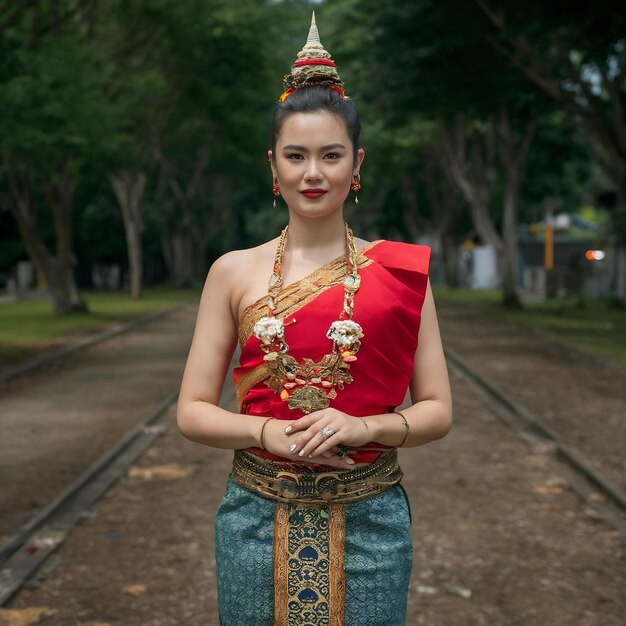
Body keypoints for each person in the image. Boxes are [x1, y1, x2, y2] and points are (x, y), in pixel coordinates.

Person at [177, 12, 452, 626]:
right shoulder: (233, 272)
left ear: (357, 165)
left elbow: (437, 409)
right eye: (295, 156)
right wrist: (266, 434)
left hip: (372, 518)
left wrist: (363, 428)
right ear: (272, 166)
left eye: (331, 155)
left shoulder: (401, 273)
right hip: (254, 517)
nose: (313, 173)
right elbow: (192, 410)